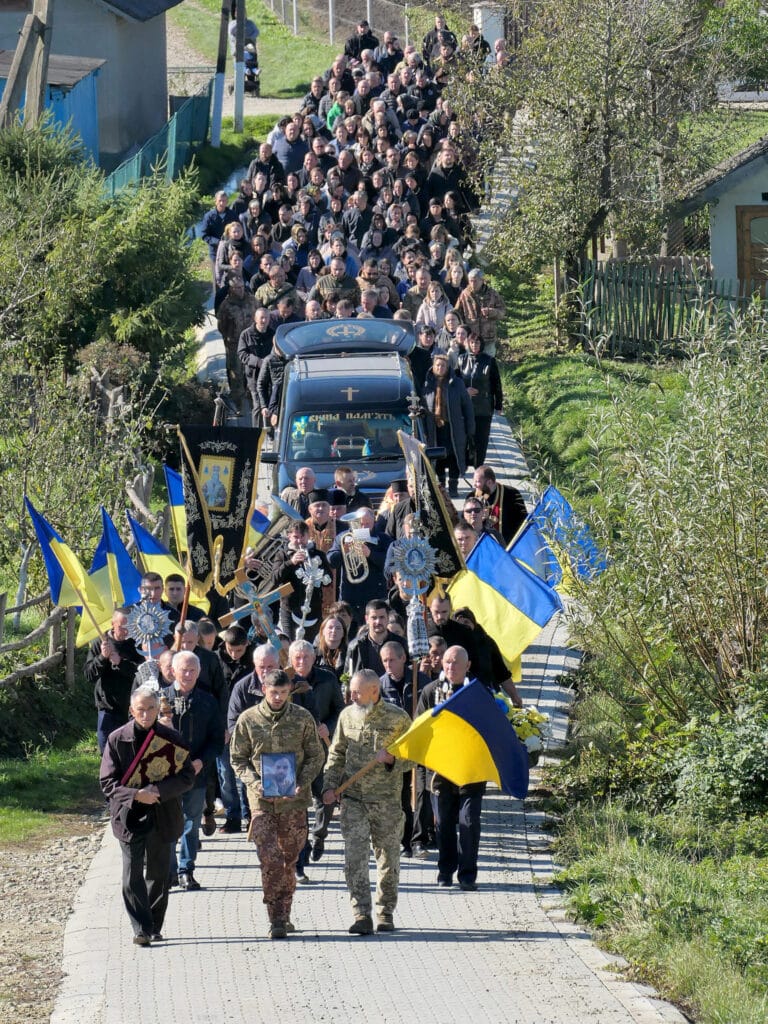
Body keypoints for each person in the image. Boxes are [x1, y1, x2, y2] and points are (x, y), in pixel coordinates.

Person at [230, 669, 324, 938]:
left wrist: (301, 782)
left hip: (293, 802)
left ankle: (285, 910)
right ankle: (276, 919)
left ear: (290, 691)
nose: (278, 697)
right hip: (262, 802)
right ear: (263, 689)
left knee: (288, 860)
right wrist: (255, 782)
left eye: (283, 692)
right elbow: (238, 759)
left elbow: (316, 756)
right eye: (274, 692)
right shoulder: (248, 720)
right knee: (270, 860)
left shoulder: (302, 718)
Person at [100, 686, 195, 946]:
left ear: (158, 709)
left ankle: (153, 925)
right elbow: (107, 783)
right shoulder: (117, 739)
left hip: (163, 813)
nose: (145, 714)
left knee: (159, 872)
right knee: (132, 874)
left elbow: (187, 776)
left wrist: (159, 790)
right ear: (131, 711)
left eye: (150, 708)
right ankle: (140, 928)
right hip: (128, 815)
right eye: (140, 709)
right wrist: (135, 795)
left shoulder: (171, 738)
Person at [322, 668, 413, 933]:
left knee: (388, 859)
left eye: (357, 692)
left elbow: (414, 759)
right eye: (351, 691)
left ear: (374, 691)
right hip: (353, 800)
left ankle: (385, 912)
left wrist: (392, 759)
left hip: (386, 802)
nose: (351, 696)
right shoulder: (346, 716)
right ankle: (361, 913)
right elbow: (336, 753)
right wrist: (330, 786)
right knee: (355, 857)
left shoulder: (398, 719)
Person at [416, 645, 485, 890]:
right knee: (443, 824)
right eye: (446, 662)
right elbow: (419, 730)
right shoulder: (430, 691)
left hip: (470, 772)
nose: (450, 667)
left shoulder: (477, 693)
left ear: (467, 666)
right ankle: (445, 870)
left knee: (468, 822)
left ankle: (467, 874)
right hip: (440, 773)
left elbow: (488, 731)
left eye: (456, 663)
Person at [160, 651, 224, 891]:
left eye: (192, 671)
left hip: (195, 774)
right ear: (173, 671)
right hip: (165, 775)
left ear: (199, 672)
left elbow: (216, 740)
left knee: (191, 822)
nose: (187, 675)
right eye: (183, 670)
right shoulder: (159, 699)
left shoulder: (207, 701)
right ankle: (169, 871)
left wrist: (201, 761)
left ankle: (186, 870)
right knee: (168, 823)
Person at [86, 608, 144, 753]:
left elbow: (142, 673)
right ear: (113, 624)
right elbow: (89, 675)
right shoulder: (100, 643)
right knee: (107, 753)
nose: (126, 631)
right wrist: (102, 658)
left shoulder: (137, 644)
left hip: (132, 709)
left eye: (130, 627)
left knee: (130, 752)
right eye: (122, 626)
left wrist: (121, 662)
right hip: (108, 708)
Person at [421, 352, 475, 497]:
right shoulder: (427, 384)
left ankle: (453, 486)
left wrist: (470, 427)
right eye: (437, 365)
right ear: (433, 367)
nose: (440, 367)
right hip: (435, 428)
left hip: (453, 427)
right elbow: (424, 409)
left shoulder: (456, 383)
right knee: (437, 456)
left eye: (443, 365)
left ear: (447, 367)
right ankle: (441, 486)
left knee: (454, 457)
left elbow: (467, 406)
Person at [327, 509, 393, 622]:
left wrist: (370, 554)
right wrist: (344, 551)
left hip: (375, 595)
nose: (363, 527)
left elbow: (390, 564)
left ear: (374, 521)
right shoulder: (343, 537)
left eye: (367, 524)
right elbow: (331, 561)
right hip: (350, 595)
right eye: (361, 523)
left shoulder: (383, 539)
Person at [456, 332, 503, 466]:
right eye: (472, 343)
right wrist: (465, 391)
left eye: (477, 343)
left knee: (481, 437)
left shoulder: (489, 361)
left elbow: (496, 383)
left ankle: (479, 463)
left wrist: (498, 404)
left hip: (483, 406)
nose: (474, 345)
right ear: (468, 344)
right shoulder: (461, 360)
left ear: (481, 344)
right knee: (466, 435)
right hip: (465, 406)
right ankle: (466, 461)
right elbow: (455, 382)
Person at [454, 267, 505, 358]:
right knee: (472, 362)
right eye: (470, 281)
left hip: (488, 336)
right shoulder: (464, 294)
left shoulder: (492, 294)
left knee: (488, 362)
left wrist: (492, 312)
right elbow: (457, 313)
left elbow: (502, 312)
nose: (473, 283)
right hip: (471, 337)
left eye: (475, 281)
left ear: (482, 280)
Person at [472, 464, 528, 545]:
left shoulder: (512, 494)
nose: (474, 485)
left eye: (477, 481)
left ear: (489, 482)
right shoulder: (473, 496)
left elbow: (523, 522)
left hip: (507, 545)